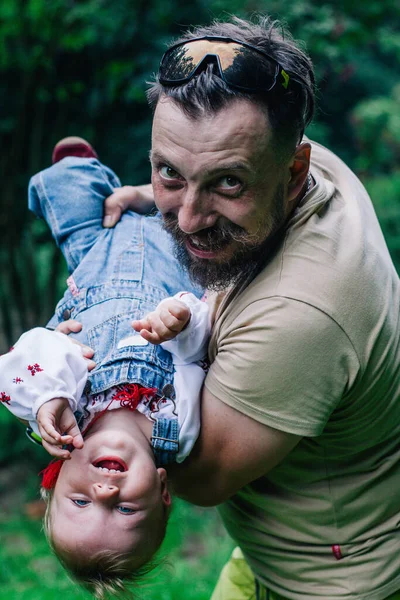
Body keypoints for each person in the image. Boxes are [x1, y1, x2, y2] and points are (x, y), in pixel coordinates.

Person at [94, 15, 400, 600]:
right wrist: (149, 197)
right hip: (275, 543)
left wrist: (74, 379)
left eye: (227, 184)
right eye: (170, 173)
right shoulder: (304, 163)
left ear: (294, 174)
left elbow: (200, 477)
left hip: (324, 577)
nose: (186, 219)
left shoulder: (302, 314)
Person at [0, 139, 210, 599]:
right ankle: (148, 196)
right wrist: (184, 320)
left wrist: (47, 395)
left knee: (67, 188)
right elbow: (203, 356)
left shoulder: (59, 419)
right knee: (199, 210)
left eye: (80, 501)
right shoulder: (182, 431)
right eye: (127, 511)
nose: (105, 492)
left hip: (94, 256)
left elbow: (24, 356)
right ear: (162, 492)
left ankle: (89, 174)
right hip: (176, 258)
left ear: (54, 479)